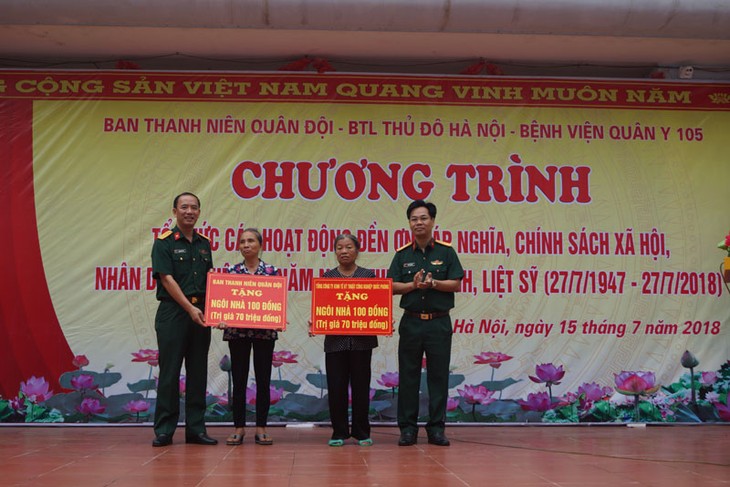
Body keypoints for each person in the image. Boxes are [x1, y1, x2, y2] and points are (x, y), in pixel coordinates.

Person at [387, 200, 464, 447]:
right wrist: (413, 285)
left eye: (423, 218)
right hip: (411, 322)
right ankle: (408, 430)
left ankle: (436, 429)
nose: (418, 223)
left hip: (438, 324)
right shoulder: (402, 255)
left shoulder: (446, 252)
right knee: (408, 377)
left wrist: (434, 284)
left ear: (432, 221)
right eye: (414, 219)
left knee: (438, 377)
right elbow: (390, 286)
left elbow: (456, 283)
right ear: (409, 223)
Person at [151, 192, 217, 447]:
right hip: (174, 313)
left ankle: (196, 429)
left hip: (201, 313)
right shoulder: (164, 242)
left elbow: (210, 280)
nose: (189, 211)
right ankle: (165, 430)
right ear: (175, 211)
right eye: (184, 207)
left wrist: (218, 309)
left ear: (199, 212)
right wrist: (189, 308)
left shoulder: (204, 243)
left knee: (198, 372)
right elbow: (167, 279)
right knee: (170, 372)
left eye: (194, 208)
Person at [221, 228, 280, 446]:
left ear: (260, 245)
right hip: (238, 333)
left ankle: (261, 427)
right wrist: (221, 317)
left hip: (265, 334)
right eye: (242, 241)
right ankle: (239, 427)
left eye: (251, 241)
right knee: (239, 380)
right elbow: (223, 304)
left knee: (263, 381)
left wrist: (279, 318)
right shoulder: (231, 273)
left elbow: (277, 304)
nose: (246, 245)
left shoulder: (272, 272)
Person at [318, 234, 378, 447]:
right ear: (335, 251)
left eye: (349, 247)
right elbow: (322, 308)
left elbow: (375, 307)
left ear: (357, 250)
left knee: (361, 387)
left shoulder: (368, 276)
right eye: (339, 247)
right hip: (335, 342)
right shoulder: (327, 278)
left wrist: (382, 320)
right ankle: (339, 432)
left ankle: (362, 432)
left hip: (362, 342)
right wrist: (315, 321)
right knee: (336, 387)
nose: (344, 251)